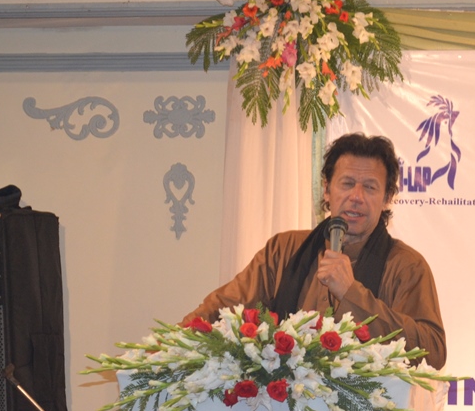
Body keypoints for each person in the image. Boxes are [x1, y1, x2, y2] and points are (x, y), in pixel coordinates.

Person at [182, 132, 446, 369]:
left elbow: (433, 352)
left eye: (370, 187)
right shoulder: (284, 250)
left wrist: (352, 294)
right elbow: (224, 309)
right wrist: (176, 340)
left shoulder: (406, 265)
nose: (356, 197)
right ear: (327, 189)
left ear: (387, 198)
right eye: (347, 183)